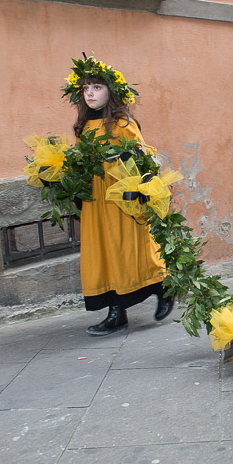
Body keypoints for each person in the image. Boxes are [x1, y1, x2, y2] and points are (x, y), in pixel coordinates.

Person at [63, 56, 174, 335]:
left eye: (97, 87)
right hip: (95, 200)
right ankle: (116, 312)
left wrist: (130, 160)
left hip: (120, 196)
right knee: (103, 251)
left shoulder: (122, 122)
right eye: (86, 88)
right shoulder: (84, 125)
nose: (90, 93)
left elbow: (144, 156)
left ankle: (164, 287)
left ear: (111, 92)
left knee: (130, 247)